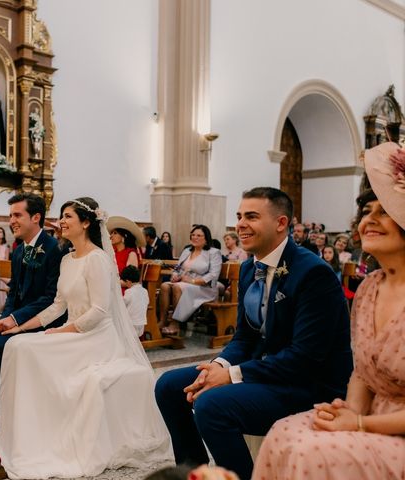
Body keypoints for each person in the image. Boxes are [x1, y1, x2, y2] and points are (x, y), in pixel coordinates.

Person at [155, 187, 353, 480]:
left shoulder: (313, 273)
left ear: (281, 223)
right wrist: (220, 366)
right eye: (238, 216)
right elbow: (245, 338)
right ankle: (194, 473)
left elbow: (306, 357)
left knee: (212, 405)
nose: (240, 224)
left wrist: (234, 375)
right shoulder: (249, 269)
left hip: (308, 383)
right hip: (268, 370)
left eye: (251, 216)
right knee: (169, 385)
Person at [0, 197, 173, 479]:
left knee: (29, 350)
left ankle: (45, 433)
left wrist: (61, 332)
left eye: (67, 217)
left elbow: (99, 311)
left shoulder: (97, 260)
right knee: (16, 344)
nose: (61, 222)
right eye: (61, 216)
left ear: (86, 223)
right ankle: (27, 432)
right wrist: (22, 327)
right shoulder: (66, 259)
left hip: (97, 337)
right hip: (75, 331)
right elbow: (57, 305)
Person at [252, 142, 405, 479]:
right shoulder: (369, 288)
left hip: (397, 430)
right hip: (371, 415)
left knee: (313, 451)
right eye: (367, 212)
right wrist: (348, 411)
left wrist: (361, 424)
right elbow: (363, 373)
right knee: (284, 432)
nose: (370, 221)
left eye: (385, 211)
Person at [0, 193, 65, 417]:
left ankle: (14, 409)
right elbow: (13, 292)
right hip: (17, 316)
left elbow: (50, 298)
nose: (11, 221)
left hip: (44, 319)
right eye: (10, 215)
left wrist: (15, 320)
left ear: (36, 217)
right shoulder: (19, 251)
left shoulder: (54, 249)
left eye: (18, 215)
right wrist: (4, 318)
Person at [158, 225, 222, 336]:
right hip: (184, 282)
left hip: (204, 288)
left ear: (206, 238)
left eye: (198, 235)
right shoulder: (187, 250)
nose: (194, 237)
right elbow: (178, 267)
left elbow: (213, 275)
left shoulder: (213, 252)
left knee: (178, 287)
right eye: (192, 235)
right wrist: (174, 275)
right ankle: (163, 321)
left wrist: (192, 281)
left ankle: (175, 323)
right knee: (164, 286)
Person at [120, 265, 149, 336]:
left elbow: (122, 304)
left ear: (128, 281)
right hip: (142, 323)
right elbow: (147, 302)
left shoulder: (129, 292)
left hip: (131, 323)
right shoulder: (145, 291)